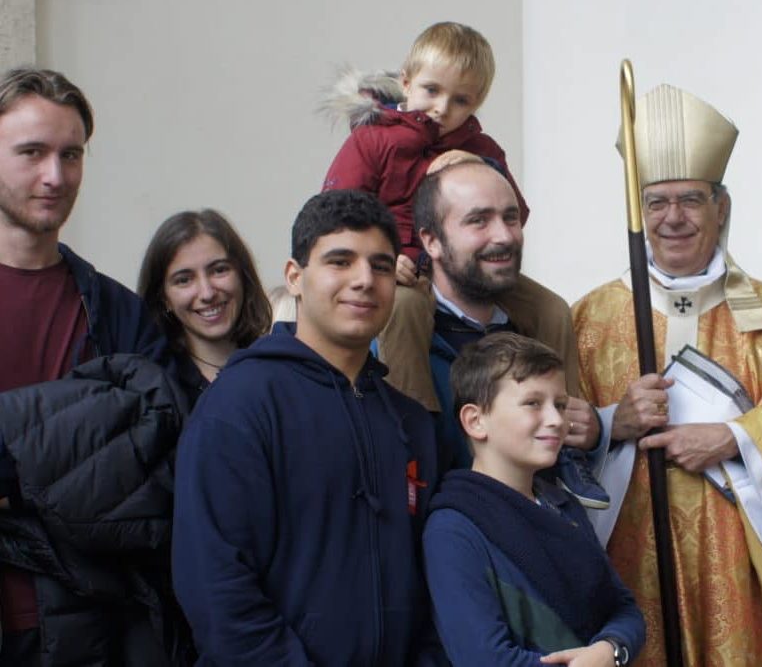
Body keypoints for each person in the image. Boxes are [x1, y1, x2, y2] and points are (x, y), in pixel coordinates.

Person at [573, 84, 762, 664]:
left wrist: (731, 438)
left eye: (691, 200)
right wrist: (614, 421)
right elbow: (558, 440)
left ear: (722, 208)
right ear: (636, 213)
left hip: (738, 564)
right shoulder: (593, 317)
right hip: (627, 554)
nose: (673, 219)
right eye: (656, 202)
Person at [172, 190, 441, 666]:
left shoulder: (410, 422)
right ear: (295, 278)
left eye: (381, 266)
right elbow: (215, 584)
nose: (364, 280)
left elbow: (436, 581)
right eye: (340, 261)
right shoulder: (240, 404)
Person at [0, 67, 181, 665]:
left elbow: (152, 475)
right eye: (32, 153)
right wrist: (73, 449)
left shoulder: (117, 313)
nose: (55, 176)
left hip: (90, 625)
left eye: (70, 155)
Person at [320, 21, 578, 410]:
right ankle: (416, 422)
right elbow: (339, 215)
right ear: (406, 82)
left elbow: (515, 214)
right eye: (432, 91)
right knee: (404, 309)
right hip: (402, 268)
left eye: (461, 101)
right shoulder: (373, 139)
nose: (443, 108)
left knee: (550, 308)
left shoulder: (480, 146)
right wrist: (385, 260)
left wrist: (482, 166)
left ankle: (566, 413)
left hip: (465, 265)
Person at [423, 332, 645, 666]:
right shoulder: (452, 530)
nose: (557, 420)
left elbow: (624, 609)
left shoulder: (563, 505)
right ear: (475, 420)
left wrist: (609, 650)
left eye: (560, 404)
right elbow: (483, 658)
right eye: (533, 403)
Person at [412, 160, 607, 504]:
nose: (503, 236)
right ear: (431, 241)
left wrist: (589, 434)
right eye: (478, 220)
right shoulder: (403, 336)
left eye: (510, 218)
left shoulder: (541, 324)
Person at [137, 208, 272, 385]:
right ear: (163, 297)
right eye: (184, 280)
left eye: (219, 270)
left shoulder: (278, 366)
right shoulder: (154, 384)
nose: (207, 293)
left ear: (242, 276)